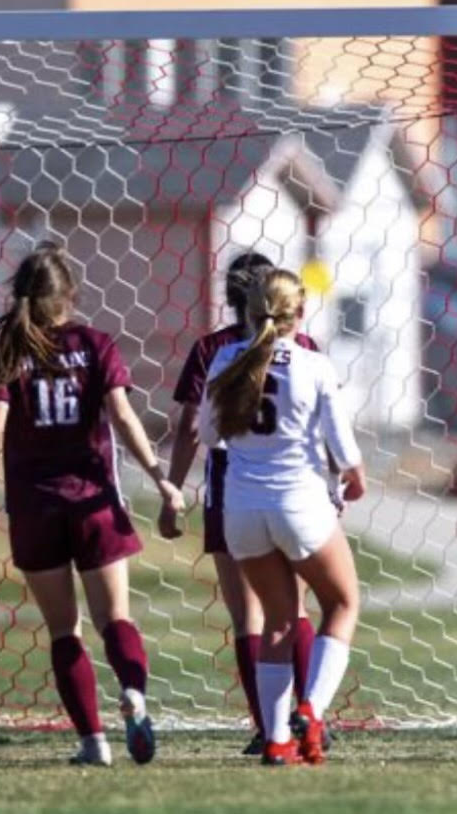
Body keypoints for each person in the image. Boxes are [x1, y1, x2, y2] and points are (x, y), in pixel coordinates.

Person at [0, 242, 185, 766]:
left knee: (65, 631)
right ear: (71, 295)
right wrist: (161, 478)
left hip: (36, 510)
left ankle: (93, 744)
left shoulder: (7, 351)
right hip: (94, 506)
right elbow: (124, 420)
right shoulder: (96, 343)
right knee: (117, 621)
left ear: (19, 296)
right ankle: (133, 693)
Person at [159, 251, 326, 755]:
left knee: (248, 617)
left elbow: (192, 428)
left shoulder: (212, 349)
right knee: (294, 609)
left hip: (232, 488)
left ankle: (267, 728)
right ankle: (309, 715)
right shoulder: (302, 345)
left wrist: (173, 491)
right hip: (291, 486)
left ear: (232, 298)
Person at [198, 267, 364, 767]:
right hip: (299, 504)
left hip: (241, 508)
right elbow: (342, 445)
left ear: (248, 314)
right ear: (302, 312)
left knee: (275, 620)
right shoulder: (313, 365)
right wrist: (354, 478)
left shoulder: (225, 359)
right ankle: (311, 709)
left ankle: (275, 740)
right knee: (342, 603)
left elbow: (208, 435)